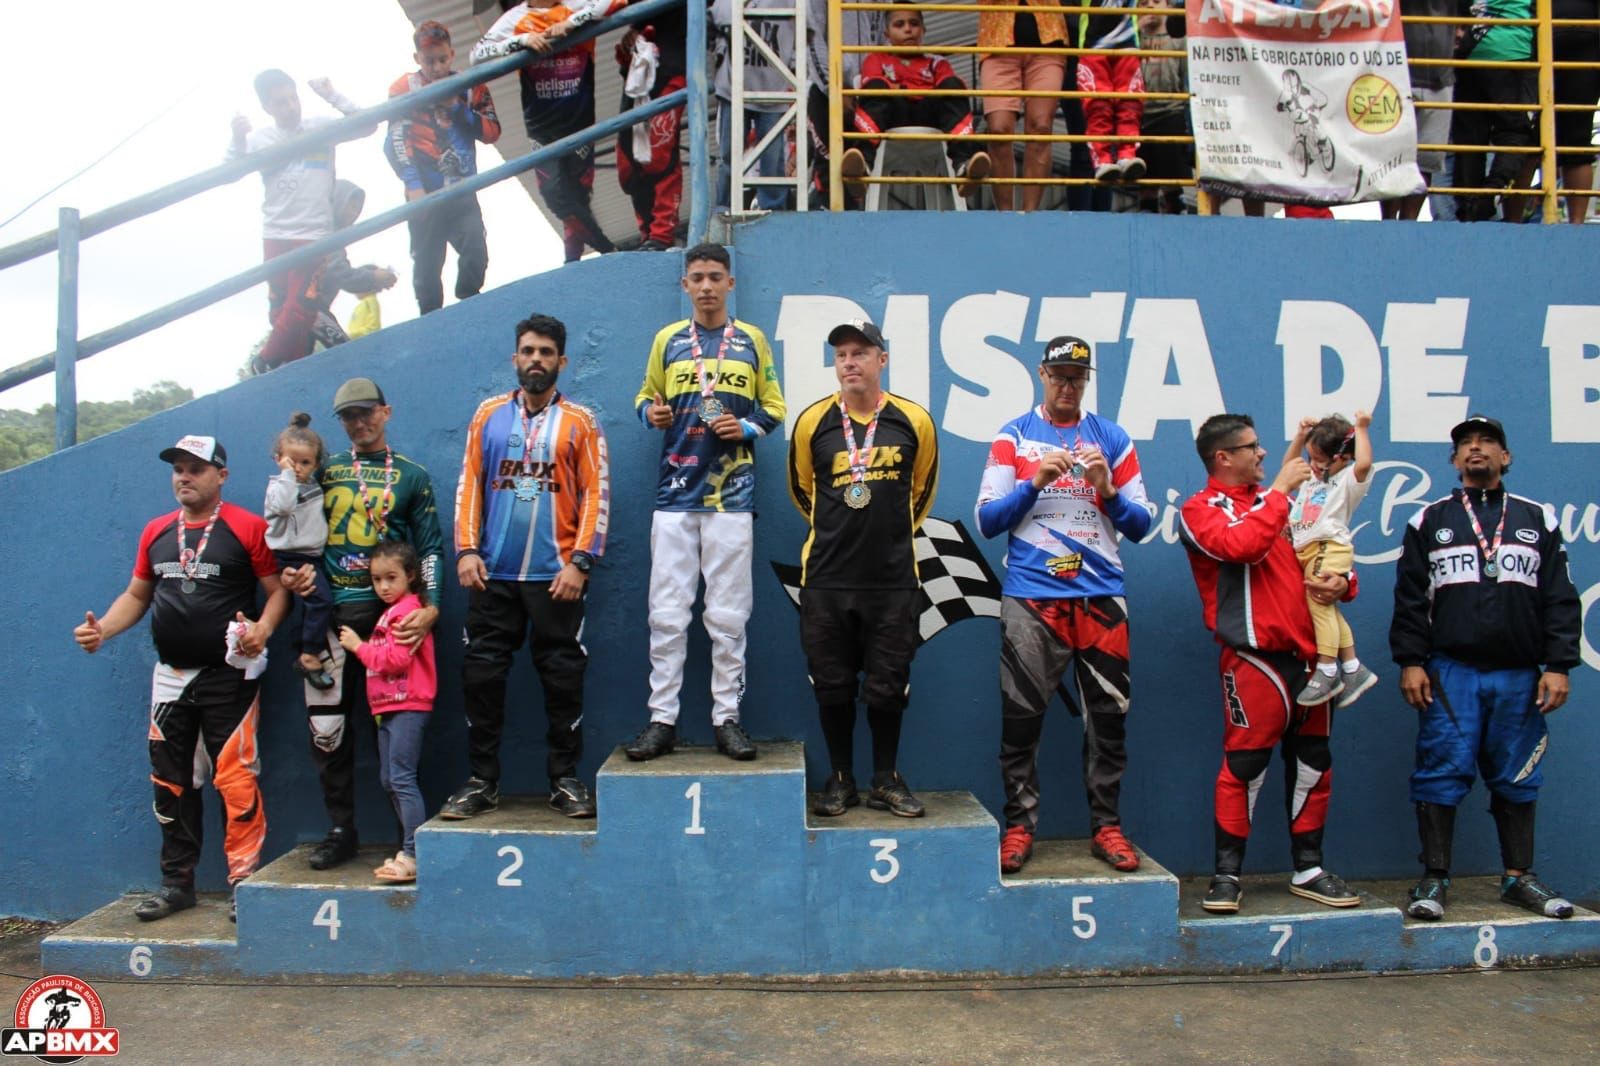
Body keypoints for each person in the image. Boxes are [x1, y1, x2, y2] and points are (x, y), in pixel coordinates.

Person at [73, 435, 289, 922]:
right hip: (170, 677)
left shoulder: (247, 527)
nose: (184, 476)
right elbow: (136, 595)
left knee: (234, 779)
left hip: (229, 675)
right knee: (170, 781)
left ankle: (243, 883)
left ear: (221, 476)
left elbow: (277, 593)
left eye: (195, 468)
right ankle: (177, 884)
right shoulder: (155, 532)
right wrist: (102, 630)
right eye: (178, 468)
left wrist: (264, 628)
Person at [1390, 415, 1581, 920]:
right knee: (1440, 771)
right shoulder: (1429, 519)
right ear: (1454, 461)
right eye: (1465, 445)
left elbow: (1560, 598)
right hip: (1452, 671)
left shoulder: (1537, 517)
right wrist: (1411, 661)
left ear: (1506, 457)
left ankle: (1520, 879)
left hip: (1519, 672)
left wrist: (1558, 664)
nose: (1476, 449)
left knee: (1518, 774)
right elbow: (1410, 599)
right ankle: (1433, 881)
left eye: (1488, 442)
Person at [975, 336, 1154, 873]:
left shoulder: (1112, 438)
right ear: (1041, 374)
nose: (1068, 385)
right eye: (1059, 375)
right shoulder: (1014, 435)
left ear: (1088, 379)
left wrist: (1107, 490)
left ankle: (1107, 827)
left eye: (1078, 376)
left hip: (1100, 597)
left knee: (1108, 721)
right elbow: (987, 520)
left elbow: (1141, 525)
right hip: (1032, 599)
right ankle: (1019, 828)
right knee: (1020, 719)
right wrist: (1034, 483)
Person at [1178, 414, 1360, 914]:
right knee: (1245, 766)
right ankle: (1226, 875)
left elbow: (1318, 551)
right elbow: (1241, 546)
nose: (1262, 454)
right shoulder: (1200, 510)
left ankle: (1309, 868)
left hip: (1312, 658)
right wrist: (1278, 492)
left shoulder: (1288, 503)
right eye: (1252, 447)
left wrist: (1343, 583)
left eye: (1261, 447)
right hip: (1254, 661)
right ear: (1223, 457)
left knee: (1313, 763)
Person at [443, 313, 609, 821]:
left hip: (556, 579)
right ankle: (481, 782)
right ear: (515, 358)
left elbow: (596, 493)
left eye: (545, 352)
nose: (536, 360)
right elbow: (470, 483)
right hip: (492, 577)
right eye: (528, 351)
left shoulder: (581, 421)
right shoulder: (488, 414)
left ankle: (565, 780)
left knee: (562, 681)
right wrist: (467, 550)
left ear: (562, 361)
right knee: (482, 680)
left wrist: (580, 562)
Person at [627, 243, 786, 761]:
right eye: (697, 277)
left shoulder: (752, 340)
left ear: (731, 284)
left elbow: (775, 407)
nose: (707, 286)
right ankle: (661, 720)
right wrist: (649, 414)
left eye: (716, 276)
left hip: (732, 497)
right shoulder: (668, 340)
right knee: (667, 614)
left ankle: (727, 718)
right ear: (685, 285)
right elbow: (645, 396)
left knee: (729, 615)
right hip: (673, 494)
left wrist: (744, 426)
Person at [282, 378, 444, 871]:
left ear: (386, 411)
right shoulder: (324, 470)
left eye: (367, 412)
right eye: (349, 416)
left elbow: (432, 547)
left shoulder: (412, 475)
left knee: (398, 732)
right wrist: (290, 569)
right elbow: (293, 529)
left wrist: (431, 605)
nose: (359, 422)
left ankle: (408, 842)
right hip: (327, 618)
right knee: (328, 732)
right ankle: (341, 830)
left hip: (388, 623)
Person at [788, 320, 939, 817]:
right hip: (827, 579)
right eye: (841, 355)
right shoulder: (813, 422)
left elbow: (921, 492)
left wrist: (886, 533)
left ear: (882, 360)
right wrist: (839, 531)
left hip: (893, 580)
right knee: (831, 684)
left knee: (888, 685)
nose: (849, 362)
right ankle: (840, 779)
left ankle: (886, 779)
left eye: (860, 353)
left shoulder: (914, 420)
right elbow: (803, 490)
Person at [472, 1, 624, 262]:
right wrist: (521, 42)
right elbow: (477, 54)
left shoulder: (574, 6)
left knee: (577, 197)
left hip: (580, 125)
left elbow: (613, 2)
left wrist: (572, 23)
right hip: (542, 129)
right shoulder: (515, 18)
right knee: (554, 193)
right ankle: (608, 250)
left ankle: (572, 260)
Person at [228, 70, 366, 358]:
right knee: (280, 311)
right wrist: (238, 139)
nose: (290, 107)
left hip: (313, 235)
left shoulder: (319, 127)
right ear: (266, 107)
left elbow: (366, 125)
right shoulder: (260, 139)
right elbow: (231, 171)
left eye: (293, 99)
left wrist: (331, 94)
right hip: (275, 234)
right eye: (280, 103)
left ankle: (266, 362)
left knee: (302, 305)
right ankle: (291, 368)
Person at [338, 540, 437, 884]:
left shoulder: (409, 611)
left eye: (391, 578)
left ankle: (413, 853)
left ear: (410, 575)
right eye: (377, 579)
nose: (383, 587)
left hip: (408, 704)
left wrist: (358, 646)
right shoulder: (391, 611)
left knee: (402, 778)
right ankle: (409, 850)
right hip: (388, 707)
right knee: (389, 779)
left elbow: (395, 660)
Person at [386, 20, 501, 314]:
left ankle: (468, 301)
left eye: (441, 59)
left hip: (462, 187)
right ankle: (430, 319)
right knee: (426, 264)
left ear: (452, 54)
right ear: (416, 60)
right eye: (428, 61)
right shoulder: (404, 87)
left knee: (476, 249)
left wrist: (456, 107)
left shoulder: (471, 85)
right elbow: (395, 140)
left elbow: (492, 132)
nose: (436, 67)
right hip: (424, 190)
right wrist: (413, 186)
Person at [842, 2, 992, 197]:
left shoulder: (937, 62)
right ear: (886, 34)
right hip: (891, 119)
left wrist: (900, 88)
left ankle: (963, 165)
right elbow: (873, 86)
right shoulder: (876, 59)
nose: (908, 29)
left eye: (914, 24)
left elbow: (948, 88)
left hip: (930, 118)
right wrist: (919, 90)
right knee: (877, 90)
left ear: (923, 30)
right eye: (899, 25)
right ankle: (862, 166)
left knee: (953, 85)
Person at [250, 181, 399, 373]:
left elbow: (336, 272)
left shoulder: (330, 235)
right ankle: (263, 362)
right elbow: (342, 275)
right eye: (351, 205)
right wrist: (373, 277)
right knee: (344, 351)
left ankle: (271, 366)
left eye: (358, 209)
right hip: (308, 307)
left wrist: (371, 275)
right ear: (335, 201)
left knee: (299, 363)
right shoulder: (325, 234)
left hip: (306, 309)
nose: (354, 213)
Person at [1284, 411, 1379, 707]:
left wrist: (1361, 428)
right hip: (1309, 549)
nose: (1313, 465)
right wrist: (1300, 437)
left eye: (1320, 460)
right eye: (1311, 457)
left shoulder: (1348, 480)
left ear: (1341, 458)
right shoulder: (1312, 480)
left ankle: (1327, 670)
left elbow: (1364, 463)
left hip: (1329, 546)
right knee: (1326, 608)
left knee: (1318, 602)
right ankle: (1352, 668)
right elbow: (1289, 466)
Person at [264, 412, 334, 689]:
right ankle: (309, 654)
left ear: (316, 464)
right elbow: (282, 507)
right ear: (279, 459)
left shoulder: (312, 483)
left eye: (306, 462)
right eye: (292, 461)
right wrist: (286, 474)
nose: (298, 468)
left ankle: (302, 648)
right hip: (293, 556)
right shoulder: (280, 486)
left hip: (312, 556)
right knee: (321, 601)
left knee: (309, 604)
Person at [978, 0, 1069, 211]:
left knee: (1041, 127)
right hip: (996, 43)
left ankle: (1030, 214)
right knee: (999, 129)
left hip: (1048, 43)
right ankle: (1005, 215)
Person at [1451, 0, 1535, 221]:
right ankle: (1490, 193)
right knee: (1517, 133)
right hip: (1513, 52)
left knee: (1469, 139)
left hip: (1469, 52)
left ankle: (1469, 209)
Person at [711, 0, 795, 213]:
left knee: (772, 159)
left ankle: (773, 210)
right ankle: (725, 208)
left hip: (773, 86)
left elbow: (808, 29)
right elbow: (718, 17)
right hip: (734, 86)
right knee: (730, 154)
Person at [616, 5, 688, 247]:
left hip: (672, 69)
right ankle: (648, 233)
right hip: (638, 73)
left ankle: (661, 234)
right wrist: (633, 33)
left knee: (659, 154)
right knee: (628, 163)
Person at [1381, 0, 1455, 221]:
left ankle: (1409, 220)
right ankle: (1388, 220)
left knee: (1427, 158)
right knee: (1392, 157)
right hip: (1397, 73)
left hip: (1440, 76)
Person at [1077, 0, 1146, 182]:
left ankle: (1127, 155)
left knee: (1130, 104)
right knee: (1098, 106)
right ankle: (1102, 160)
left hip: (1128, 45)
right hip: (1094, 47)